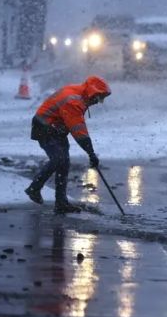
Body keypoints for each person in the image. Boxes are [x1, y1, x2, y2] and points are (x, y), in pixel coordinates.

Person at [24, 76, 111, 214]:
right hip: (45, 128)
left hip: (56, 128)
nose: (99, 102)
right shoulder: (73, 101)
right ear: (93, 92)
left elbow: (75, 126)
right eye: (99, 98)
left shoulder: (80, 94)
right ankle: (34, 188)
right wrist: (91, 153)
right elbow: (78, 130)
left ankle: (61, 203)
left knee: (64, 163)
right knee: (59, 159)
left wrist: (90, 153)